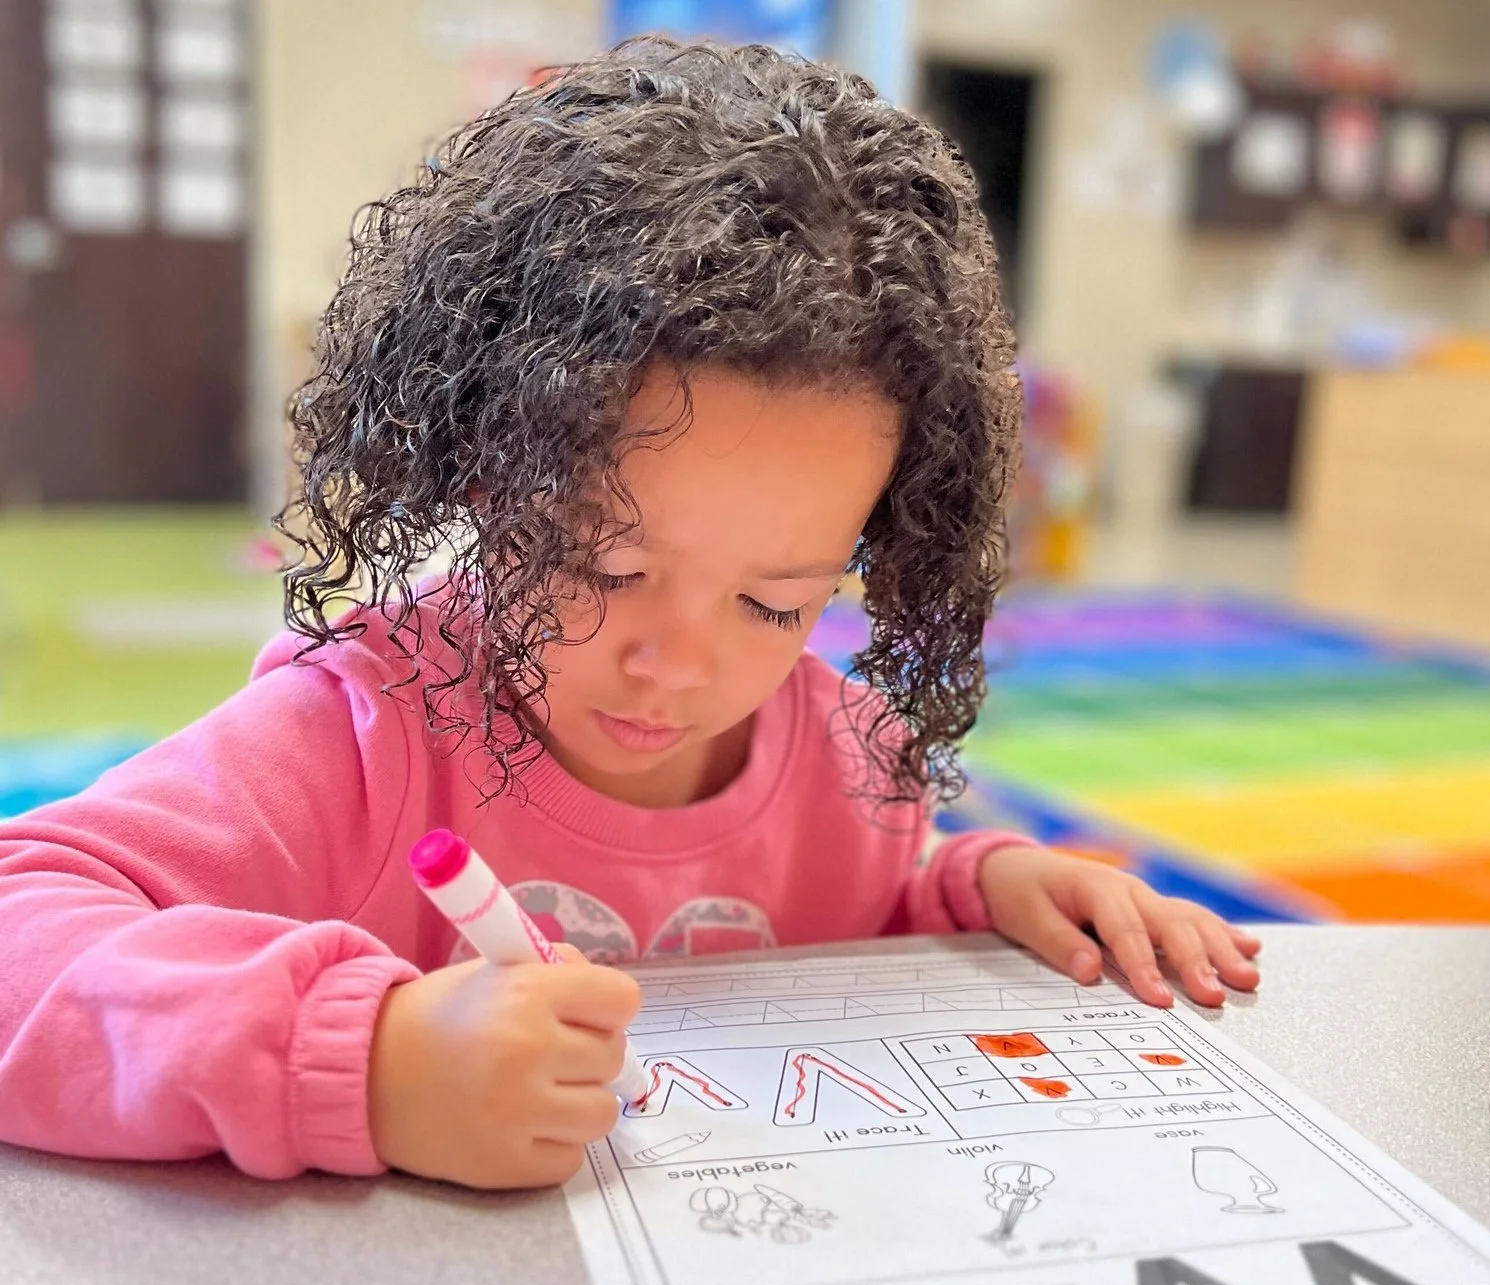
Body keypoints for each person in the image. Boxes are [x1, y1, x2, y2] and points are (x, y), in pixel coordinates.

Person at [0, 38, 1258, 1192]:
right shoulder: (360, 741)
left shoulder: (850, 766)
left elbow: (848, 919)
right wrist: (358, 1060)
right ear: (483, 469)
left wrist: (972, 896)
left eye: (775, 604)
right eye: (602, 568)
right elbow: (22, 928)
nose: (676, 664)